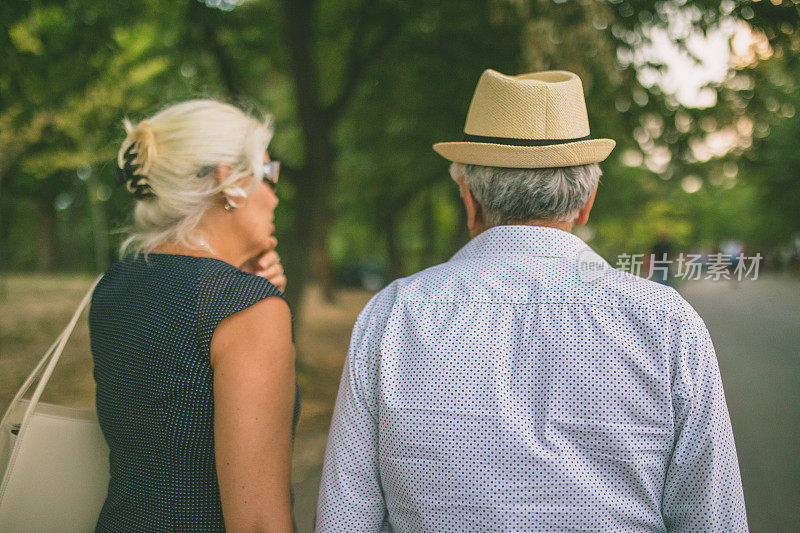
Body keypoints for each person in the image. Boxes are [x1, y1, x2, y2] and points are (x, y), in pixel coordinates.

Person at [316, 70, 747, 531]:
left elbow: (347, 518)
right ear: (586, 202)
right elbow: (712, 517)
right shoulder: (666, 322)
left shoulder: (393, 315)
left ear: (468, 198)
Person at [89, 99, 298, 532]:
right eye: (269, 171)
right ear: (229, 179)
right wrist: (255, 303)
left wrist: (245, 287)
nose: (275, 193)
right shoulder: (245, 308)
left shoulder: (115, 285)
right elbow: (257, 521)